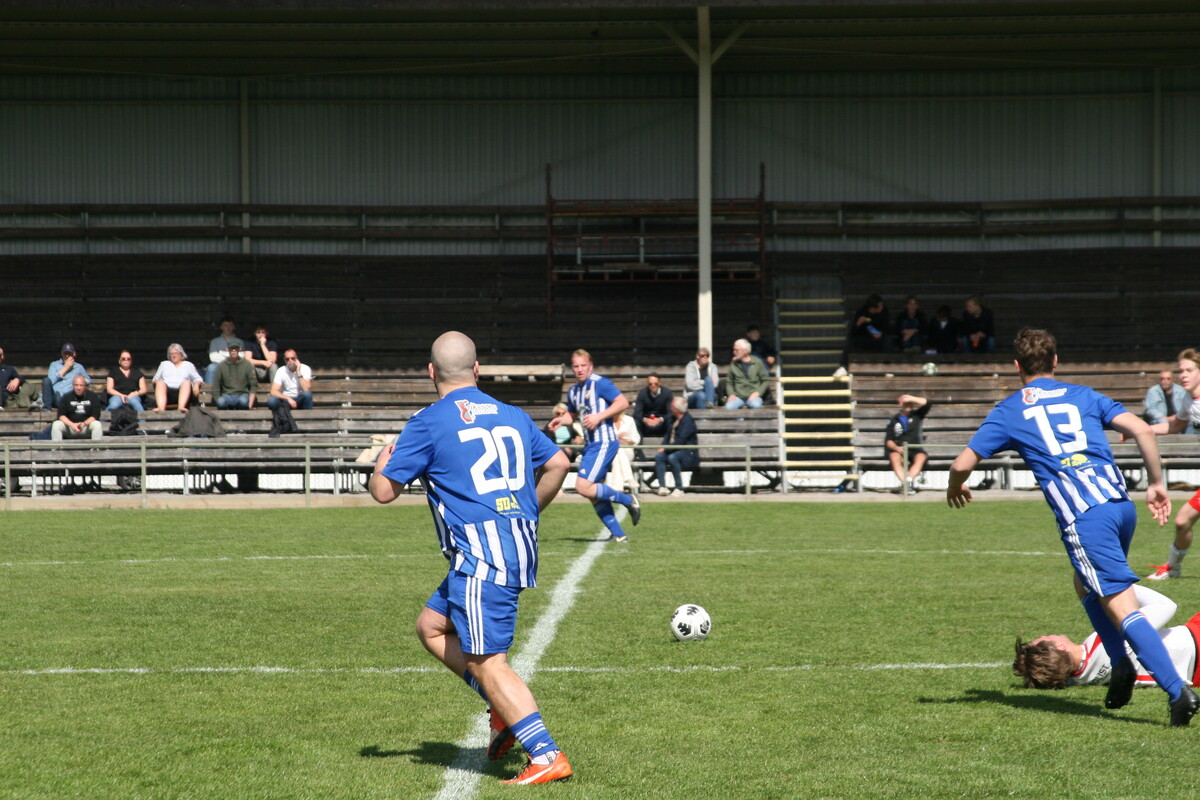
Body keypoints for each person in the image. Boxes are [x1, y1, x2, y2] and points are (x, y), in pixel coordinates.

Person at [946, 327, 1199, 726]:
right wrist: (1156, 484)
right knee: (1085, 584)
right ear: (1055, 361)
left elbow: (961, 464)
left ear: (1016, 366)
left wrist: (955, 486)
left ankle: (1176, 691)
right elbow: (1142, 429)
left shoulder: (1010, 409)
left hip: (1085, 517)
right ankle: (1120, 663)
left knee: (1121, 606)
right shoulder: (1083, 395)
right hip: (1119, 506)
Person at [369, 331, 574, 785]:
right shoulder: (513, 413)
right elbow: (559, 463)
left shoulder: (427, 421)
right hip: (511, 543)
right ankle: (503, 711)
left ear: (430, 372)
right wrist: (525, 512)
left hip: (482, 553)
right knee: (431, 626)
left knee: (487, 661)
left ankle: (546, 754)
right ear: (477, 369)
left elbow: (383, 491)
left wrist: (381, 462)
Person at [1013, 585, 1199, 692]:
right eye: (1043, 638)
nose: (1046, 635)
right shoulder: (1107, 644)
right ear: (1060, 646)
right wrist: (1114, 586)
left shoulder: (1079, 679)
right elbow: (1166, 605)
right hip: (1194, 639)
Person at [546, 349, 641, 543]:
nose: (579, 369)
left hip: (604, 441)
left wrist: (599, 416)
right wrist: (561, 420)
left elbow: (622, 402)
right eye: (576, 366)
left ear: (591, 366)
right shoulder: (574, 391)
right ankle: (618, 534)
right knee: (593, 493)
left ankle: (628, 499)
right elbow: (572, 415)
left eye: (583, 365)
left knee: (583, 487)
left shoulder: (600, 383)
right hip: (591, 444)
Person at [1143, 349, 1200, 581]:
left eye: (1189, 370)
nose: (1183, 375)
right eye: (1181, 371)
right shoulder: (1188, 399)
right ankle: (1173, 568)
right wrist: (1142, 430)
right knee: (1182, 521)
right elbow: (1175, 426)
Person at [885, 394, 932, 494]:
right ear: (900, 405)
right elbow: (888, 441)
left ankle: (907, 483)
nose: (908, 405)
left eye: (910, 403)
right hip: (900, 450)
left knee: (921, 456)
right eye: (905, 403)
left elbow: (928, 403)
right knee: (893, 456)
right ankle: (906, 485)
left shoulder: (917, 415)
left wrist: (911, 398)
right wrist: (897, 448)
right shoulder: (894, 420)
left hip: (915, 449)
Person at [834, 294, 889, 378]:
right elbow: (853, 332)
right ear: (873, 308)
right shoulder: (862, 312)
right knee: (850, 340)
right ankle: (843, 367)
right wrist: (858, 323)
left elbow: (887, 328)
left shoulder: (884, 312)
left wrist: (880, 334)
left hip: (878, 340)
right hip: (864, 340)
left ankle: (887, 368)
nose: (882, 307)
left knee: (887, 340)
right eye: (879, 306)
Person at [655, 396, 699, 497]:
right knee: (660, 456)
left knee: (672, 457)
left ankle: (679, 488)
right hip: (673, 449)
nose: (670, 408)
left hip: (687, 452)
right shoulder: (673, 419)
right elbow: (667, 436)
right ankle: (662, 486)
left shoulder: (688, 421)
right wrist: (663, 447)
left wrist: (665, 448)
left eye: (672, 406)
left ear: (676, 409)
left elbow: (681, 441)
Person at [152, 343, 204, 412]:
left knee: (186, 382)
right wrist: (158, 382)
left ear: (181, 354)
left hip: (184, 393)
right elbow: (155, 379)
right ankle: (161, 408)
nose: (173, 355)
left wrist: (196, 385)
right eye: (171, 354)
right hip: (167, 393)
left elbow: (198, 378)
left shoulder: (188, 365)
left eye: (175, 353)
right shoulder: (164, 364)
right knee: (160, 383)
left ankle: (181, 407)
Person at [50, 375, 103, 441]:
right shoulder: (66, 397)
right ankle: (57, 447)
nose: (78, 388)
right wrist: (72, 425)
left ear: (85, 386)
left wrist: (84, 424)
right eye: (76, 385)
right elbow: (61, 415)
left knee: (97, 424)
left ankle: (96, 446)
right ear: (73, 385)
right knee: (56, 424)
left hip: (86, 428)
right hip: (70, 428)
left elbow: (95, 415)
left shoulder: (93, 397)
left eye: (81, 385)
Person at [41, 343, 90, 412]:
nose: (67, 356)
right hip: (54, 397)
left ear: (74, 354)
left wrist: (78, 379)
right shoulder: (54, 365)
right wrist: (64, 369)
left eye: (69, 354)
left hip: (68, 399)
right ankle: (47, 410)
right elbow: (50, 381)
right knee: (46, 380)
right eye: (65, 353)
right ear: (62, 353)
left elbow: (88, 380)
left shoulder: (78, 367)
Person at [725, 338, 770, 410]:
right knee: (729, 407)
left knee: (756, 405)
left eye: (736, 350)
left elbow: (765, 380)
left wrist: (758, 393)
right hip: (738, 397)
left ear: (745, 351)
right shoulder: (734, 364)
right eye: (734, 350)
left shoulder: (757, 362)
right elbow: (729, 382)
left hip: (753, 396)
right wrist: (731, 394)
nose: (734, 352)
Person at [607, 407, 641, 495]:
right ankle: (629, 478)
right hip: (611, 451)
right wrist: (617, 438)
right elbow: (604, 439)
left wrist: (625, 441)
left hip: (628, 450)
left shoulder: (629, 420)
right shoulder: (606, 421)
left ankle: (617, 486)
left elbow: (636, 438)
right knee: (618, 451)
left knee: (619, 451)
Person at [214, 343, 257, 410]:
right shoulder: (221, 365)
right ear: (227, 349)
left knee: (243, 401)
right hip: (227, 395)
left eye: (236, 348)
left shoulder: (247, 364)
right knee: (221, 402)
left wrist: (250, 404)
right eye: (231, 348)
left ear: (239, 349)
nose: (233, 350)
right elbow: (216, 385)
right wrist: (217, 399)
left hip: (242, 394)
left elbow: (253, 385)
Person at [633, 373, 672, 442]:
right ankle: (639, 445)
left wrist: (660, 419)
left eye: (655, 384)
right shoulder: (642, 393)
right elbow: (637, 413)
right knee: (636, 422)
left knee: (671, 421)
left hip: (661, 423)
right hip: (646, 424)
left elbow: (670, 413)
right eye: (650, 384)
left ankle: (666, 445)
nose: (653, 386)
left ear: (659, 383)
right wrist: (645, 420)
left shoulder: (667, 393)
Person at [205, 317, 243, 385]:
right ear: (221, 327)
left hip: (236, 364)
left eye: (230, 325)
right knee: (211, 367)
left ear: (234, 327)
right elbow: (213, 357)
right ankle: (209, 390)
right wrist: (232, 355)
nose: (228, 327)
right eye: (225, 325)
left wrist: (222, 353)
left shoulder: (239, 341)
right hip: (219, 364)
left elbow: (242, 356)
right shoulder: (215, 341)